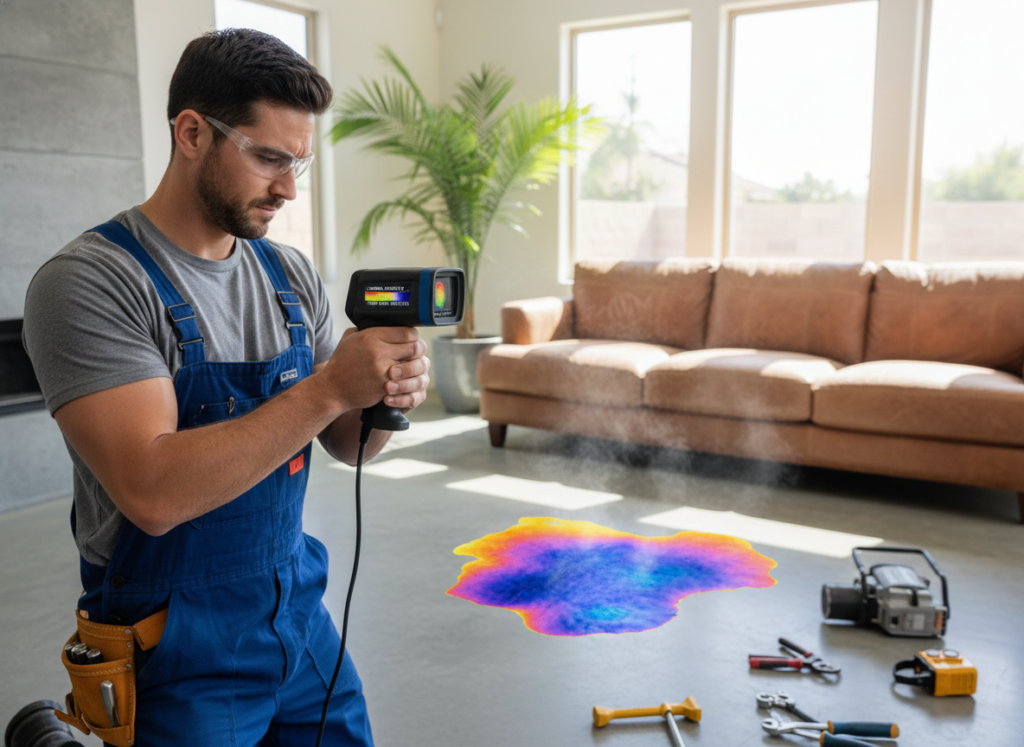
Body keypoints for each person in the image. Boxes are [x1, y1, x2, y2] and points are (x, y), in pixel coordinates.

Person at [22, 29, 428, 746]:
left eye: (298, 161)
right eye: (269, 157)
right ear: (191, 133)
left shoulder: (290, 275)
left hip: (297, 613)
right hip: (175, 647)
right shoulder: (90, 282)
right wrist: (331, 387)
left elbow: (343, 446)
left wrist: (381, 399)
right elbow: (153, 493)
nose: (288, 187)